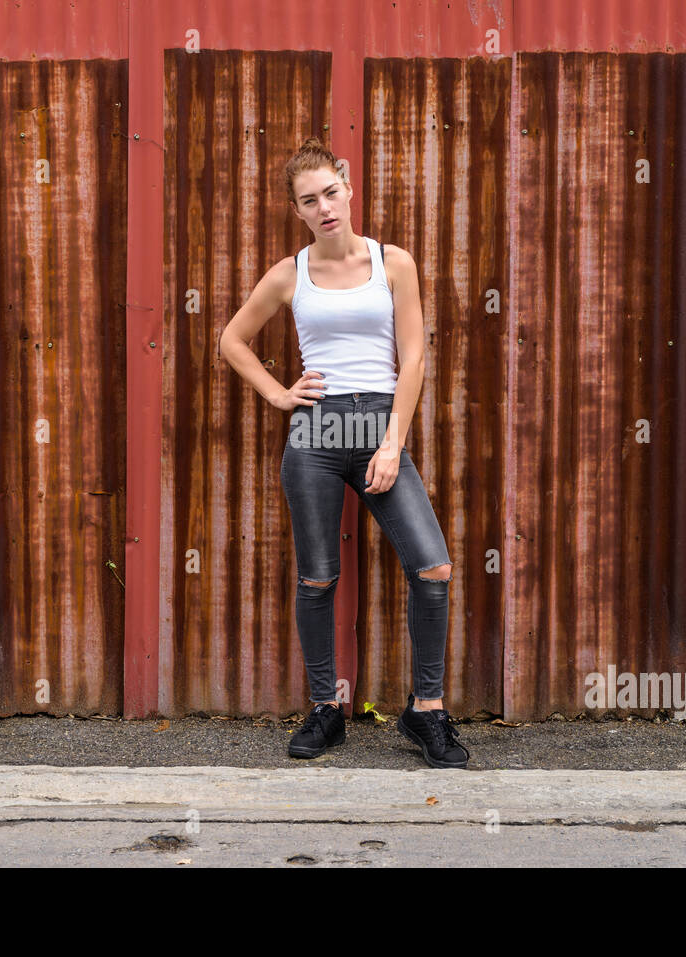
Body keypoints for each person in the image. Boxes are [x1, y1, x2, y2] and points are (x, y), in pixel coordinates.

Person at [218, 137, 468, 769]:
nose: (324, 207)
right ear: (299, 211)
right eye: (310, 201)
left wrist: (392, 444)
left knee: (433, 569)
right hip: (317, 436)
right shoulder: (290, 273)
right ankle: (328, 709)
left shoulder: (394, 263)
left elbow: (412, 357)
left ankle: (427, 711)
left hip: (379, 428)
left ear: (348, 188)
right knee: (317, 576)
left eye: (331, 192)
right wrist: (280, 395)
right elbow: (231, 340)